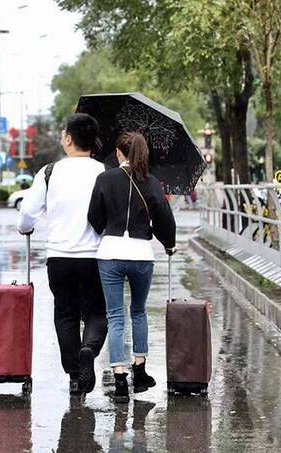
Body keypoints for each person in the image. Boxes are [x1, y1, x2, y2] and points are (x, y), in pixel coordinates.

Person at [18, 113, 108, 395]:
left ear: (69, 139)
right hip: (95, 256)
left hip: (59, 257)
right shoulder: (104, 172)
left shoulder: (49, 172)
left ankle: (73, 375)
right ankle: (89, 351)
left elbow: (27, 214)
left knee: (65, 314)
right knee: (96, 313)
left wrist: (26, 228)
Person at [88, 131, 176, 403]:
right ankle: (140, 370)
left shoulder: (104, 179)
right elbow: (165, 220)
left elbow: (94, 216)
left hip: (111, 252)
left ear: (118, 152)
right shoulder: (151, 183)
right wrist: (168, 243)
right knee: (138, 312)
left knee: (115, 316)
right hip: (141, 255)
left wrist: (107, 228)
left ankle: (119, 377)